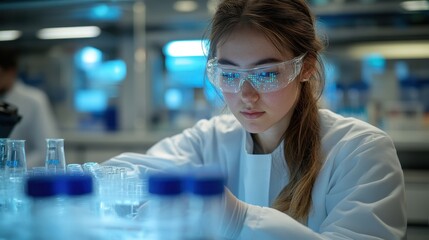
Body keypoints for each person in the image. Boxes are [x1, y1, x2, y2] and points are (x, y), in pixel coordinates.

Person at [103, 0, 407, 239]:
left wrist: (239, 219)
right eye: (230, 74)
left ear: (306, 68)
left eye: (266, 74)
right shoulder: (210, 139)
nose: (245, 94)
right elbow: (120, 173)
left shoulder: (360, 151)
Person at [0, 48, 60, 168]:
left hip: (22, 178)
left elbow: (47, 149)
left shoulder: (34, 100)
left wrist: (13, 168)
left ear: (11, 72)